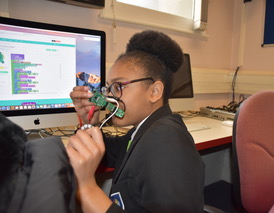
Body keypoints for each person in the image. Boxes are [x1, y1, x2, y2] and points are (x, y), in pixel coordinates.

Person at [67, 30, 205, 213]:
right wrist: (89, 123)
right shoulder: (144, 131)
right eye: (109, 88)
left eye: (118, 86)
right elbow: (104, 152)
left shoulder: (166, 142)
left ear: (154, 92)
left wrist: (86, 188)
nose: (109, 97)